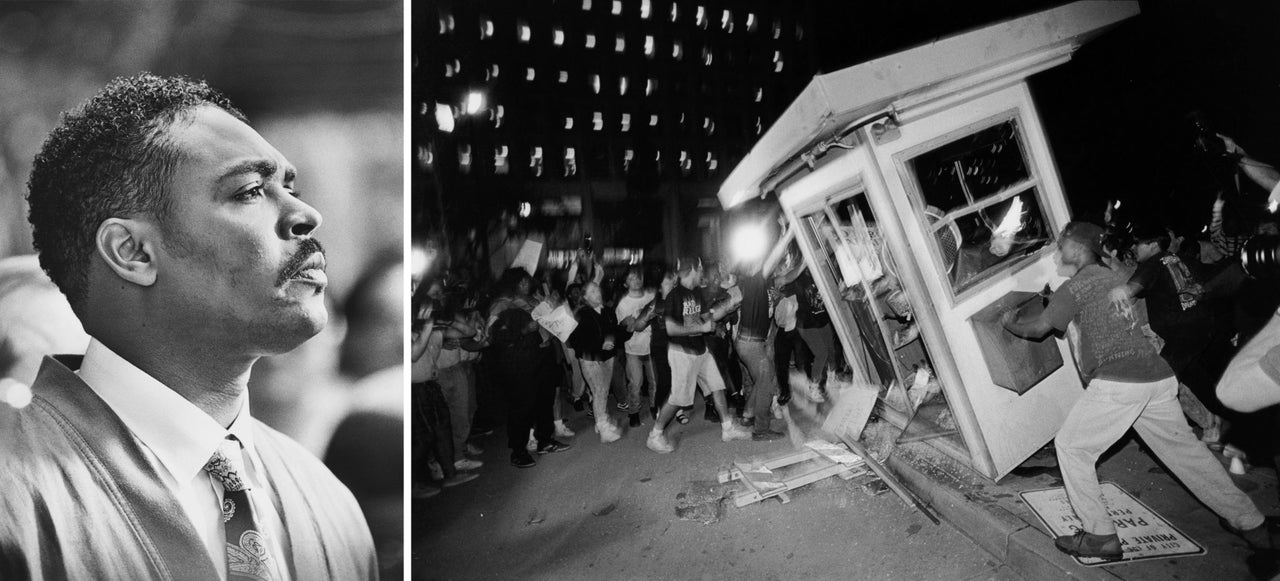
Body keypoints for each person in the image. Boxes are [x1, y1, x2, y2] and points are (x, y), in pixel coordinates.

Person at [0, 74, 376, 579]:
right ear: (132, 252)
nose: (306, 215)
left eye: (290, 187)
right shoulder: (13, 493)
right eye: (249, 191)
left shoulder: (330, 504)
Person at [1002, 221, 1269, 562]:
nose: (1056, 254)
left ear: (1078, 249)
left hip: (1121, 382)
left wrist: (1009, 322)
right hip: (1157, 377)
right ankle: (1252, 523)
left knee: (1071, 447)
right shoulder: (1117, 277)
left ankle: (1100, 537)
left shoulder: (1078, 285)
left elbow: (1039, 329)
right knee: (1189, 457)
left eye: (1061, 246)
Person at [646, 257, 752, 453]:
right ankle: (655, 435)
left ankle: (727, 428)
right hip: (682, 352)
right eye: (701, 269)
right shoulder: (674, 296)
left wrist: (728, 306)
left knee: (717, 386)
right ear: (694, 268)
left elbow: (706, 318)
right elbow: (670, 328)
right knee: (679, 398)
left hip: (700, 349)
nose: (703, 273)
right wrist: (702, 326)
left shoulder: (695, 293)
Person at [732, 260, 786, 441]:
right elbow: (773, 257)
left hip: (751, 342)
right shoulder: (754, 280)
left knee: (763, 379)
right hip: (751, 344)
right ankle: (761, 429)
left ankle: (748, 415)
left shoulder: (757, 282)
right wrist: (787, 236)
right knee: (766, 385)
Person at [570, 280, 624, 442]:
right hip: (590, 359)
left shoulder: (607, 311)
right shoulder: (581, 314)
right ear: (585, 296)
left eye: (598, 290)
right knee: (599, 390)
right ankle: (603, 428)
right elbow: (575, 341)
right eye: (592, 291)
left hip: (607, 357)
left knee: (603, 391)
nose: (597, 293)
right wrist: (600, 344)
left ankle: (602, 420)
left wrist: (621, 332)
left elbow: (614, 332)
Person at [615, 267, 658, 428]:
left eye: (638, 276)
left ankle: (654, 407)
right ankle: (633, 412)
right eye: (632, 278)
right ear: (625, 284)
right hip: (633, 349)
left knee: (654, 381)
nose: (636, 280)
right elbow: (625, 329)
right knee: (635, 383)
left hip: (651, 346)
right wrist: (632, 321)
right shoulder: (623, 305)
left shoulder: (651, 297)